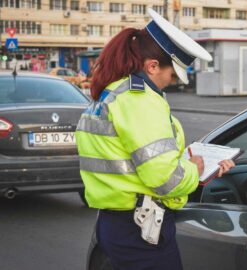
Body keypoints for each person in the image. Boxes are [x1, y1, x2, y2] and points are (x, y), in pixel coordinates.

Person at [75, 9, 235, 270]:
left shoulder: (112, 93)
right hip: (140, 229)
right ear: (152, 66)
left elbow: (133, 160)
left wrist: (196, 169)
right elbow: (164, 179)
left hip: (115, 225)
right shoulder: (141, 101)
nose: (171, 83)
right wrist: (195, 170)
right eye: (172, 75)